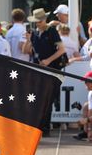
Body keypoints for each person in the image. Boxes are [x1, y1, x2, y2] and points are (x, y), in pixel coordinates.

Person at [23, 8, 67, 137]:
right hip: (38, 70)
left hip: (52, 69)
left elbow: (61, 50)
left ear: (44, 20)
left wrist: (48, 60)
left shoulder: (52, 31)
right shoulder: (35, 33)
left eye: (39, 21)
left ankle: (45, 127)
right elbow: (26, 51)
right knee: (38, 98)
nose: (37, 24)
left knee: (48, 99)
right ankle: (39, 125)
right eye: (36, 22)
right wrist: (28, 39)